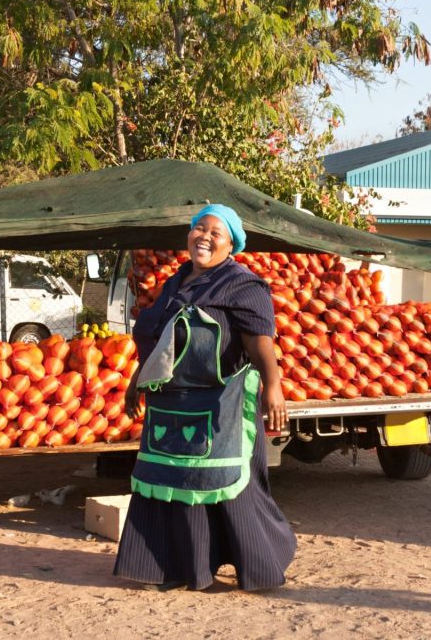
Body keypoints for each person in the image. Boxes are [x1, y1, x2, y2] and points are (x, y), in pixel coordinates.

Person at [114, 203, 296, 592]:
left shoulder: (243, 284)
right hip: (172, 402)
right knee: (174, 481)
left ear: (231, 245)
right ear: (189, 235)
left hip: (223, 404)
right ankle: (179, 568)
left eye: (216, 233)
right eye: (200, 229)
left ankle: (262, 564)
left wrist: (274, 386)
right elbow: (161, 342)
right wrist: (136, 380)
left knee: (231, 488)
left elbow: (259, 341)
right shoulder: (175, 283)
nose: (205, 237)